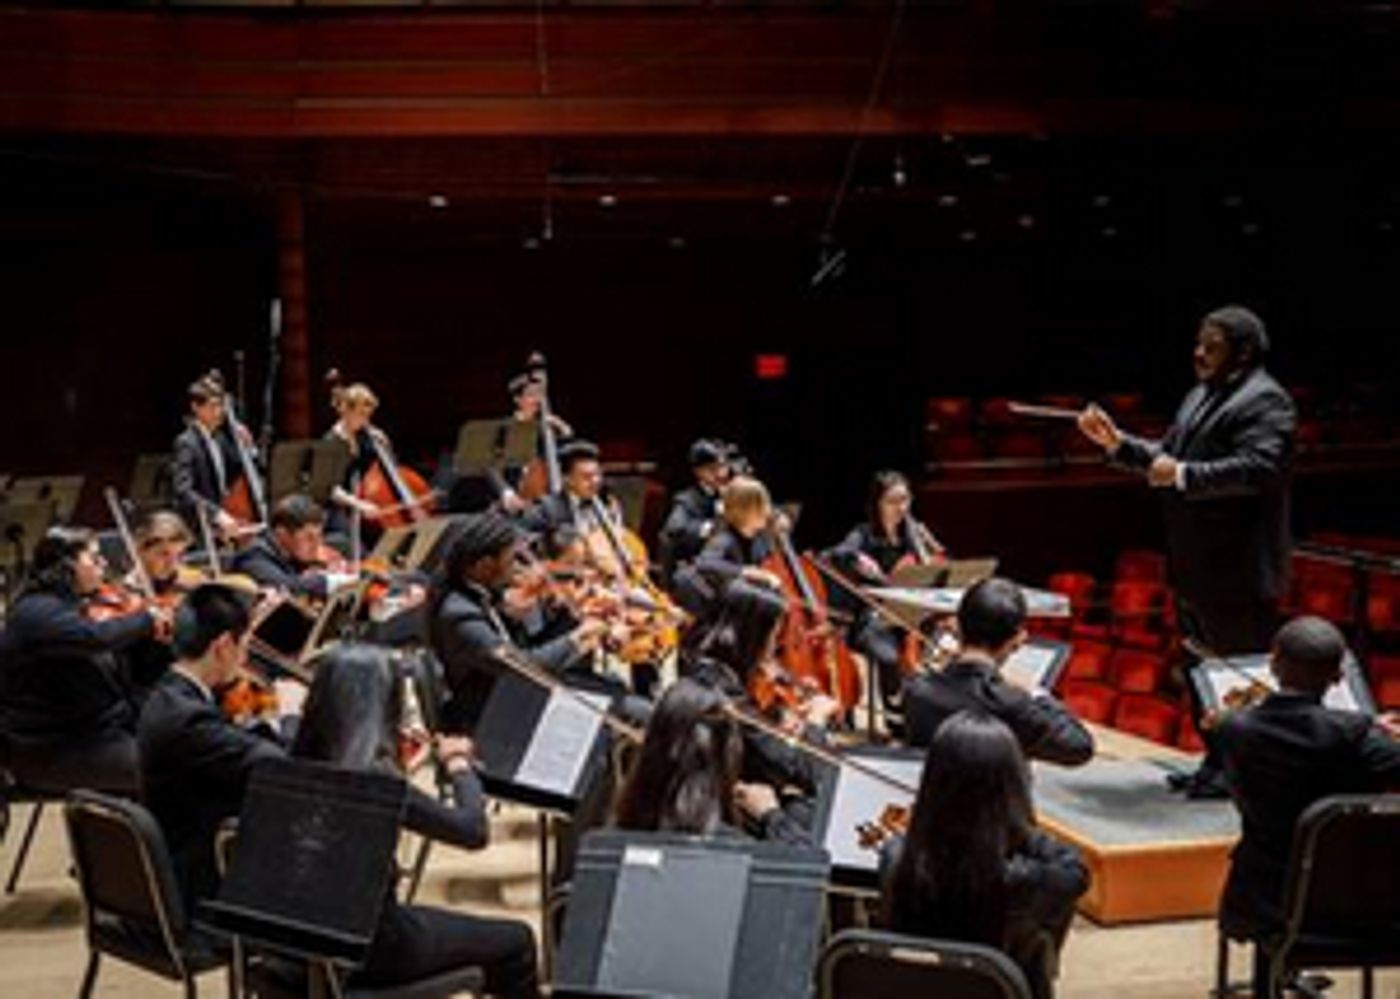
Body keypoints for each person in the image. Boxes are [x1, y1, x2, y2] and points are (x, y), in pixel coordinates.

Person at [291, 643, 539, 997]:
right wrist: (459, 767)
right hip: (377, 946)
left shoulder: (288, 761)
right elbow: (472, 830)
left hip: (299, 944)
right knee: (517, 941)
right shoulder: (376, 778)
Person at [1076, 305, 1296, 655]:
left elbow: (1260, 468)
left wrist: (1183, 474)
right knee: (1198, 672)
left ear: (1243, 353)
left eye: (1212, 346)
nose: (1199, 353)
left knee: (1234, 676)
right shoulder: (1200, 394)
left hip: (1238, 577)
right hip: (1195, 571)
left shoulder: (1266, 398)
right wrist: (1117, 443)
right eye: (1198, 344)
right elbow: (1169, 454)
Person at [1215, 616, 1400, 993]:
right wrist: (1381, 734)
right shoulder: (1360, 739)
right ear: (1338, 676)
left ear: (1273, 663)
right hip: (1364, 901)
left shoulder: (1234, 731)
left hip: (1266, 900)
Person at [882, 711, 1088, 999]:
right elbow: (1075, 870)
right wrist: (1016, 820)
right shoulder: (1026, 880)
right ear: (1013, 787)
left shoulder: (895, 858)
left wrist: (928, 818)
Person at [137, 583, 285, 912]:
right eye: (244, 644)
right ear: (223, 646)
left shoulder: (170, 693)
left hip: (193, 858)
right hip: (204, 888)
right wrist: (280, 723)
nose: (246, 657)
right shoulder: (186, 720)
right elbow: (271, 763)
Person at [0, 527, 170, 795]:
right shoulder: (35, 612)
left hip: (97, 732)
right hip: (53, 750)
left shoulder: (73, 606)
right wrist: (146, 619)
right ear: (66, 566)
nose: (104, 564)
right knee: (173, 769)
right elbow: (95, 638)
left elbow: (120, 667)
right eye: (94, 557)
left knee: (192, 747)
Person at [425, 512, 605, 733]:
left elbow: (529, 647)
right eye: (510, 560)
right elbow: (522, 669)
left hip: (513, 699)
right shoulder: (460, 616)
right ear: (484, 565)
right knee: (617, 715)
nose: (518, 569)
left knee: (612, 694)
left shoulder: (485, 593)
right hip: (488, 719)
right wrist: (578, 638)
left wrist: (559, 615)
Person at [903, 578, 1093, 766]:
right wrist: (1036, 692)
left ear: (957, 626)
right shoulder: (1014, 704)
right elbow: (1080, 746)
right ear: (1017, 640)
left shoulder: (917, 690)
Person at [614, 678, 808, 843]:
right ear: (728, 756)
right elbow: (809, 865)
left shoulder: (619, 836)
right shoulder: (738, 849)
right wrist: (772, 817)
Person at [827, 470, 945, 707]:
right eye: (893, 501)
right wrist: (858, 558)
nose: (901, 508)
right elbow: (838, 554)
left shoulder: (913, 534)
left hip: (913, 614)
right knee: (889, 657)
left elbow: (939, 567)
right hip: (875, 617)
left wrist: (932, 547)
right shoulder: (864, 534)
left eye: (905, 500)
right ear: (877, 503)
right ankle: (895, 706)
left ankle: (926, 700)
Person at [673, 475, 782, 621]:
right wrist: (746, 571)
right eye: (761, 506)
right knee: (774, 604)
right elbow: (705, 563)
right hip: (721, 608)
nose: (767, 511)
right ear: (744, 511)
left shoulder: (760, 539)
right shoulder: (725, 539)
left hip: (743, 605)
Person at [170, 373, 255, 538]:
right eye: (212, 406)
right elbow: (183, 490)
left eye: (221, 406)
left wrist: (249, 447)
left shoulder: (221, 439)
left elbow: (238, 471)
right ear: (195, 407)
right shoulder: (186, 443)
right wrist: (216, 514)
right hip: (198, 529)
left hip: (221, 526)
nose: (219, 412)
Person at [231, 494, 345, 602]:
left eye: (319, 536)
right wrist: (329, 581)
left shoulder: (293, 553)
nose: (317, 544)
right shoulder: (254, 556)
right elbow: (286, 587)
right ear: (282, 534)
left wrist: (325, 568)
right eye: (309, 537)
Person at [324, 380, 396, 542]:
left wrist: (385, 445)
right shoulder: (331, 442)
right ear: (346, 412)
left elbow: (387, 469)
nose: (366, 420)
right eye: (361, 414)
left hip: (367, 503)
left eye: (368, 415)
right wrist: (358, 504)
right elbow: (330, 489)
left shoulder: (366, 437)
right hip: (341, 507)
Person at [658, 439, 731, 585]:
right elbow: (674, 531)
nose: (721, 474)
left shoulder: (731, 494)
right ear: (698, 472)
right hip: (699, 571)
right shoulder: (686, 500)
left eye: (723, 467)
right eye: (713, 469)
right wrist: (709, 528)